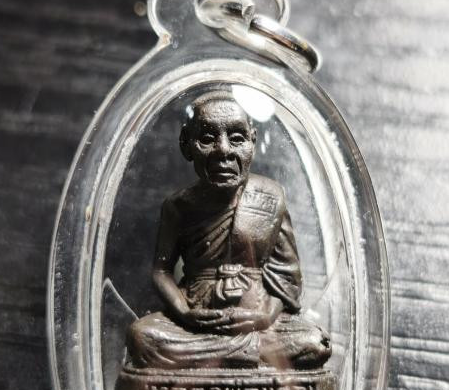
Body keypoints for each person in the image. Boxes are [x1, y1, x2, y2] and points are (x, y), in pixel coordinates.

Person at [125, 91, 331, 371]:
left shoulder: (271, 197)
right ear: (186, 145)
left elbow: (286, 279)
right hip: (196, 321)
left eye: (236, 138)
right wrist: (184, 312)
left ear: (252, 142)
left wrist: (266, 316)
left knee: (314, 342)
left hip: (258, 319)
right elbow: (162, 271)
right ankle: (245, 358)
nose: (223, 150)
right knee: (142, 338)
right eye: (207, 139)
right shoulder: (179, 206)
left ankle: (217, 360)